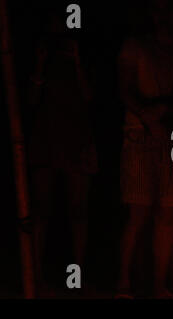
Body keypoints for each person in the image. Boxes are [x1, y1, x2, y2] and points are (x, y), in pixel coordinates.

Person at [117, 0, 173, 298]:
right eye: (159, 9)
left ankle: (158, 286)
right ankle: (124, 284)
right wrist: (147, 115)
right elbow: (124, 88)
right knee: (138, 212)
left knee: (167, 215)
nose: (164, 16)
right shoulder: (135, 46)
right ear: (151, 13)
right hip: (139, 136)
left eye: (170, 9)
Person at [27, 13, 97, 297]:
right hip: (45, 139)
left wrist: (77, 61)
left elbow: (90, 98)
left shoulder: (82, 53)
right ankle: (35, 274)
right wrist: (40, 64)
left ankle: (76, 276)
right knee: (41, 209)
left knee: (78, 211)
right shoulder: (40, 53)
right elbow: (30, 101)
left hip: (77, 140)